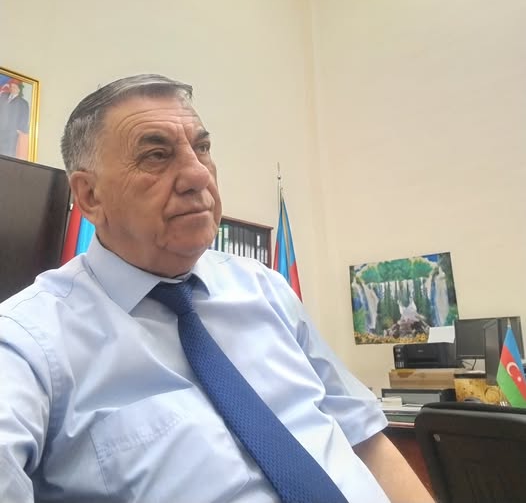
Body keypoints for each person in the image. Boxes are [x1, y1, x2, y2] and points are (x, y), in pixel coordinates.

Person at [0, 74, 434, 503]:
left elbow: (364, 438)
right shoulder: (28, 343)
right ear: (90, 195)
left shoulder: (264, 287)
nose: (196, 174)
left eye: (202, 148)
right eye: (156, 155)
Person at [0, 78, 30, 158]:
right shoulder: (3, 96)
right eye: (11, 86)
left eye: (15, 87)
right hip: (1, 128)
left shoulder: (23, 103)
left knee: (8, 153)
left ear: (19, 90)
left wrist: (19, 129)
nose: (12, 88)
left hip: (11, 132)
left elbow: (25, 117)